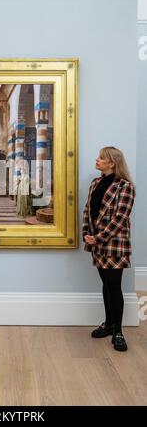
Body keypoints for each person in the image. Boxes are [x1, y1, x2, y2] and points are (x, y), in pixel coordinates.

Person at [82, 146, 136, 352]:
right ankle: (108, 323)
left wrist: (98, 237)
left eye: (101, 158)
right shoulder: (96, 183)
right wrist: (87, 233)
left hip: (114, 243)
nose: (97, 160)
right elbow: (89, 210)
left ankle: (119, 332)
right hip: (96, 242)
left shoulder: (125, 186)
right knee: (106, 284)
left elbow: (119, 219)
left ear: (112, 163)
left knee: (114, 285)